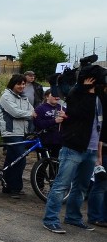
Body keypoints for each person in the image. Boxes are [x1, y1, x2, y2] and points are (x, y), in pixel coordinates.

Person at [42, 69, 105, 233]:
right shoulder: (77, 94)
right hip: (73, 148)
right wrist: (82, 89)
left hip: (91, 149)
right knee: (61, 185)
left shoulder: (99, 96)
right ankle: (50, 219)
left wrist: (98, 152)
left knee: (81, 186)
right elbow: (77, 111)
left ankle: (73, 217)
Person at [0, 74, 36, 198]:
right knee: (21, 159)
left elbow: (33, 110)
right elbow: (15, 113)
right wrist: (31, 114)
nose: (22, 86)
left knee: (12, 160)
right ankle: (15, 187)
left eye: (24, 84)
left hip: (22, 132)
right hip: (11, 132)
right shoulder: (6, 96)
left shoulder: (23, 98)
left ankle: (7, 185)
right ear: (13, 84)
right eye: (19, 84)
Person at [34, 90, 65, 158]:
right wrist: (54, 121)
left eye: (58, 96)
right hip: (44, 141)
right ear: (47, 97)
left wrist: (65, 117)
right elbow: (38, 123)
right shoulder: (40, 109)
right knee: (42, 164)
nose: (57, 98)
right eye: (54, 95)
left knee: (55, 165)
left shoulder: (62, 109)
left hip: (58, 141)